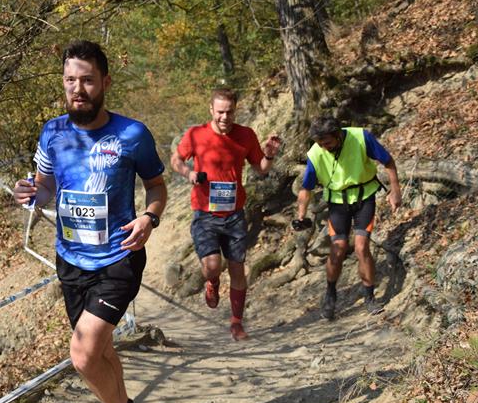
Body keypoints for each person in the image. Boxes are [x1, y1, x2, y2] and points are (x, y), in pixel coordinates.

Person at [12, 40, 167, 403]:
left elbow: (156, 187)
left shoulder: (132, 134)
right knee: (101, 350)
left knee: (82, 354)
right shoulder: (53, 132)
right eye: (70, 81)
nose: (77, 89)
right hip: (71, 259)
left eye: (87, 80)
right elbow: (45, 186)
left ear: (105, 82)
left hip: (119, 257)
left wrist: (149, 219)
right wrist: (31, 194)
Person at [170, 88, 280, 341]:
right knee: (212, 266)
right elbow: (176, 160)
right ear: (211, 109)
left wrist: (269, 155)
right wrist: (189, 173)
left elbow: (261, 169)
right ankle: (213, 282)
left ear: (235, 110)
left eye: (229, 112)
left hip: (234, 214)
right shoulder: (196, 134)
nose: (224, 117)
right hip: (205, 213)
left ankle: (236, 323)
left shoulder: (246, 135)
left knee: (237, 269)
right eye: (220, 112)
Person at [293, 116, 402, 320]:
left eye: (327, 142)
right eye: (320, 143)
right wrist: (301, 215)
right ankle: (330, 293)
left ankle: (369, 297)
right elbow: (306, 188)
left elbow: (388, 161)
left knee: (361, 247)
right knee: (338, 248)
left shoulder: (361, 137)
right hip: (337, 202)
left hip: (364, 197)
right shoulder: (316, 153)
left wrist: (395, 191)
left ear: (338, 135)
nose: (324, 147)